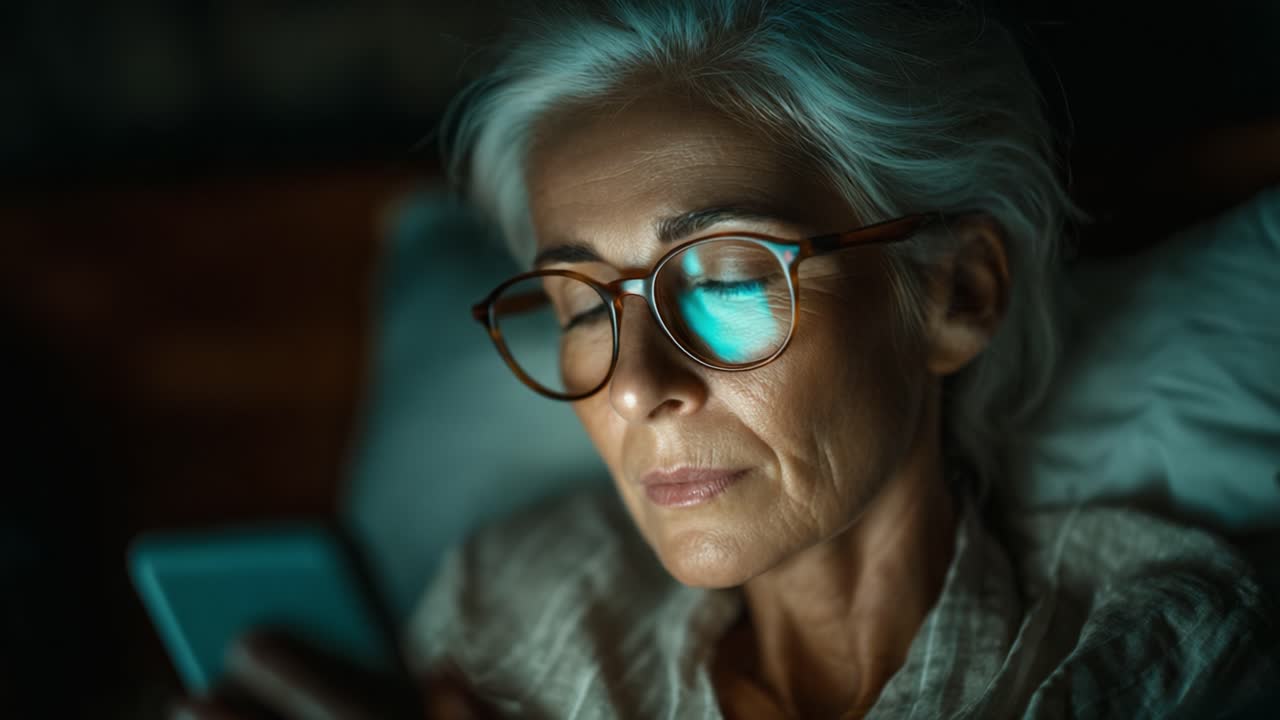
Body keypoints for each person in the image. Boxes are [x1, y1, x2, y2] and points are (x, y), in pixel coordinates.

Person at [174, 1, 1278, 718]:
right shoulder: (507, 597)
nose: (637, 387)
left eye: (728, 282)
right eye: (583, 306)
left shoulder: (1154, 656)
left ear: (954, 295)